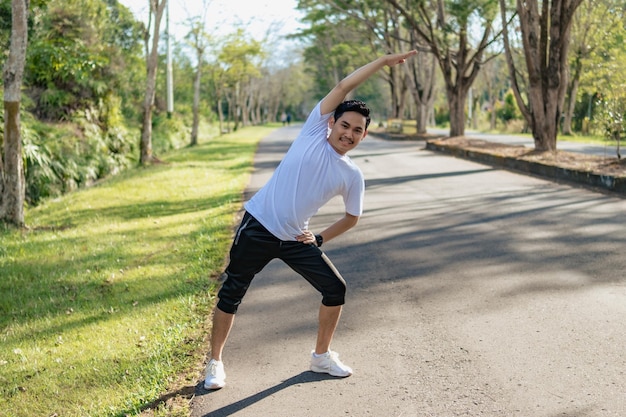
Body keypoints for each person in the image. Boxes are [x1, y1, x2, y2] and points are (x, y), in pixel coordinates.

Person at [204, 50, 417, 390]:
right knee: (232, 293)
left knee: (335, 289)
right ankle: (214, 364)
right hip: (258, 225)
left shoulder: (352, 174)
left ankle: (321, 357)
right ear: (332, 122)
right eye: (345, 124)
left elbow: (352, 217)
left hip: (294, 238)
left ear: (363, 136)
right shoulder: (313, 131)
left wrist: (318, 239)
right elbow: (344, 85)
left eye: (357, 131)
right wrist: (381, 62)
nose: (349, 133)